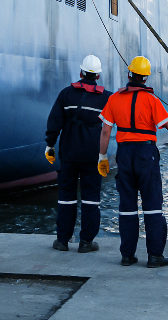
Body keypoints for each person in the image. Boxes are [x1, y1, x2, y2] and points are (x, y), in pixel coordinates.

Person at [98, 56, 168, 268]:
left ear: (129, 74)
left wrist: (102, 157)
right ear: (146, 78)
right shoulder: (152, 101)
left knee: (127, 207)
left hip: (124, 154)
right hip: (146, 153)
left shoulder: (114, 99)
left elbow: (105, 130)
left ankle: (127, 255)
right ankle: (155, 256)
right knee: (153, 206)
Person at [44, 54, 112, 253]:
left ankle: (62, 241)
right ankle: (86, 242)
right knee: (91, 198)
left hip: (69, 153)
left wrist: (50, 145)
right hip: (93, 155)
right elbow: (110, 126)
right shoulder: (107, 98)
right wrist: (103, 156)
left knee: (66, 197)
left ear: (81, 72)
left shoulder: (66, 94)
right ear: (98, 76)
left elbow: (54, 121)